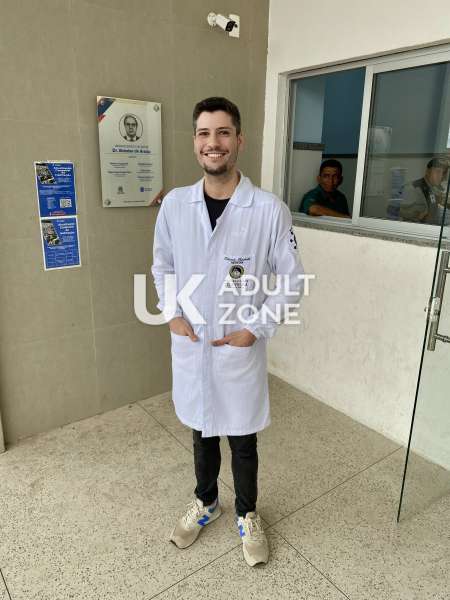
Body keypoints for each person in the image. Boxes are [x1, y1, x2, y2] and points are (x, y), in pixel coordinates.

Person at [151, 97, 303, 567]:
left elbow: (292, 280)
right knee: (201, 430)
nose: (212, 143)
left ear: (239, 140)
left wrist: (256, 328)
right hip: (193, 342)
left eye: (222, 133)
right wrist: (172, 313)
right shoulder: (175, 205)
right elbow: (162, 265)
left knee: (241, 437)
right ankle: (206, 501)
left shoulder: (268, 209)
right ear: (194, 142)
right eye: (204, 133)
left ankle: (247, 513)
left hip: (238, 346)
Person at [398, 158, 448, 224]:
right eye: (437, 171)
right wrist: (419, 216)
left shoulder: (432, 188)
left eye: (443, 173)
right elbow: (405, 215)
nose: (441, 176)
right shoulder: (412, 188)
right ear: (428, 171)